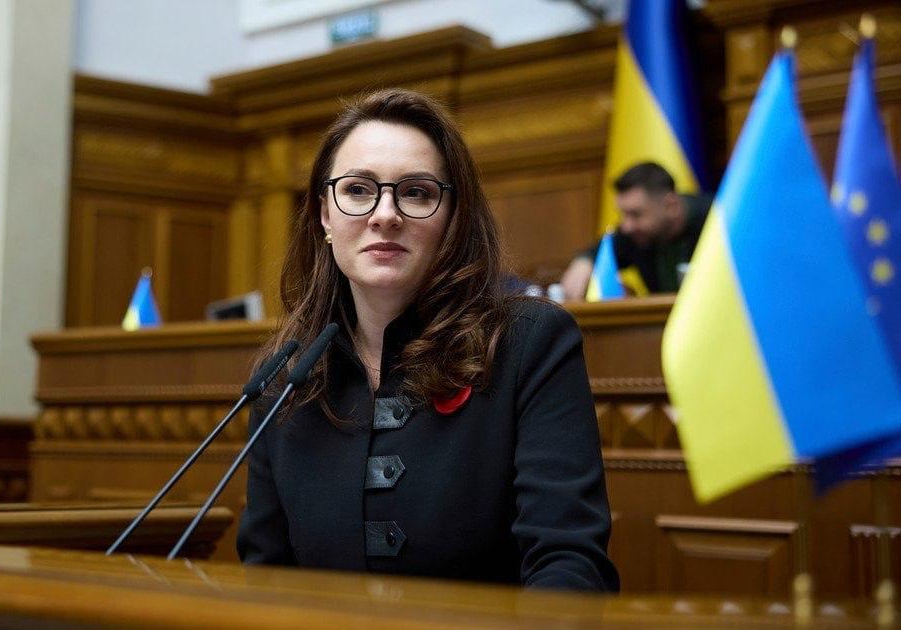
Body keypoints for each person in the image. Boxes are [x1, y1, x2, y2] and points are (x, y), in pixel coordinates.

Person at [236, 89, 618, 591]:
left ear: (453, 217)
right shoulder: (286, 376)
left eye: (416, 193)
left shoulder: (530, 343)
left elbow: (569, 564)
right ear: (324, 215)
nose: (385, 214)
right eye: (357, 190)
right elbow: (265, 579)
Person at [560, 162, 711, 300]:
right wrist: (584, 261)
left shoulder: (715, 222)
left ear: (671, 206)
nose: (626, 226)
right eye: (623, 214)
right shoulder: (634, 235)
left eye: (635, 214)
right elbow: (600, 252)